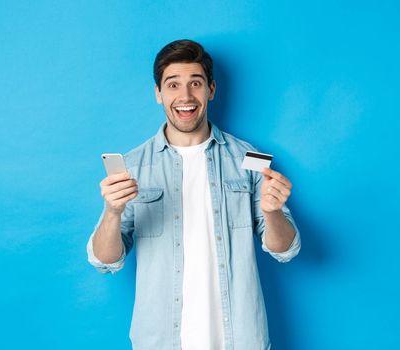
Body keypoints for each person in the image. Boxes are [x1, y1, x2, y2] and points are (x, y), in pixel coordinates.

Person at [86, 39, 300, 350]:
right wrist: (112, 212)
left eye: (195, 83)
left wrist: (272, 212)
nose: (185, 96)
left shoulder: (248, 157)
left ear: (211, 89)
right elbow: (104, 261)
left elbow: (286, 249)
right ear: (158, 93)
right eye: (173, 85)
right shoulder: (132, 166)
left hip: (240, 340)